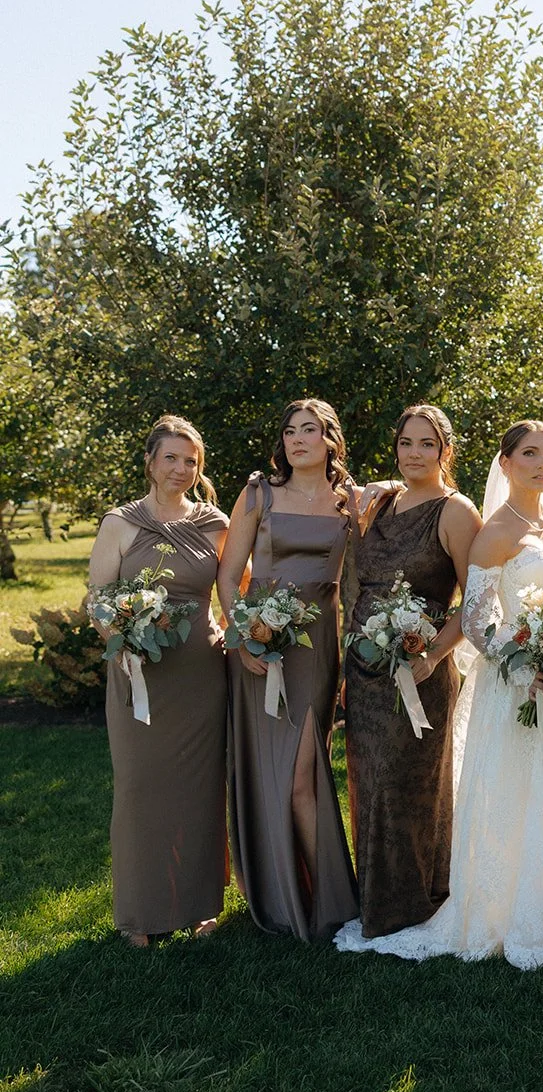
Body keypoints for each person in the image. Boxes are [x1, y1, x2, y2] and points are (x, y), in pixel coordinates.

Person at [336, 419, 543, 968]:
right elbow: (477, 622)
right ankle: (521, 909)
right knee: (528, 796)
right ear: (504, 464)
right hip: (521, 684)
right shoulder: (495, 531)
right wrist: (527, 665)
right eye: (529, 454)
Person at [218, 398, 359, 940]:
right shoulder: (258, 492)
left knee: (303, 770)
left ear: (330, 440)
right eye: (290, 431)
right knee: (272, 768)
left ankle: (328, 899)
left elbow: (350, 587)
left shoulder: (350, 502)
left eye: (310, 430)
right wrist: (243, 637)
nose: (298, 439)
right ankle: (307, 899)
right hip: (259, 645)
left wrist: (349, 657)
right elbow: (229, 575)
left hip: (317, 647)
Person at [88, 416, 228, 945]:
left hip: (199, 671)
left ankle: (197, 905)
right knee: (140, 788)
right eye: (170, 457)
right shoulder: (120, 524)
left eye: (190, 460)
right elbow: (97, 598)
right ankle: (140, 913)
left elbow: (231, 589)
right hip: (138, 670)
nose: (180, 469)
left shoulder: (215, 522)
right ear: (149, 461)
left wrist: (229, 626)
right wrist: (121, 634)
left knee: (199, 789)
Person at [344, 404, 481, 938]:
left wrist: (430, 657)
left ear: (445, 450)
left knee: (411, 785)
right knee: (367, 781)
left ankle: (415, 899)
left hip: (422, 671)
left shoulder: (455, 511)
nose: (415, 453)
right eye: (406, 443)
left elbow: (475, 604)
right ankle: (374, 898)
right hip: (365, 670)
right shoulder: (379, 503)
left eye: (427, 444)